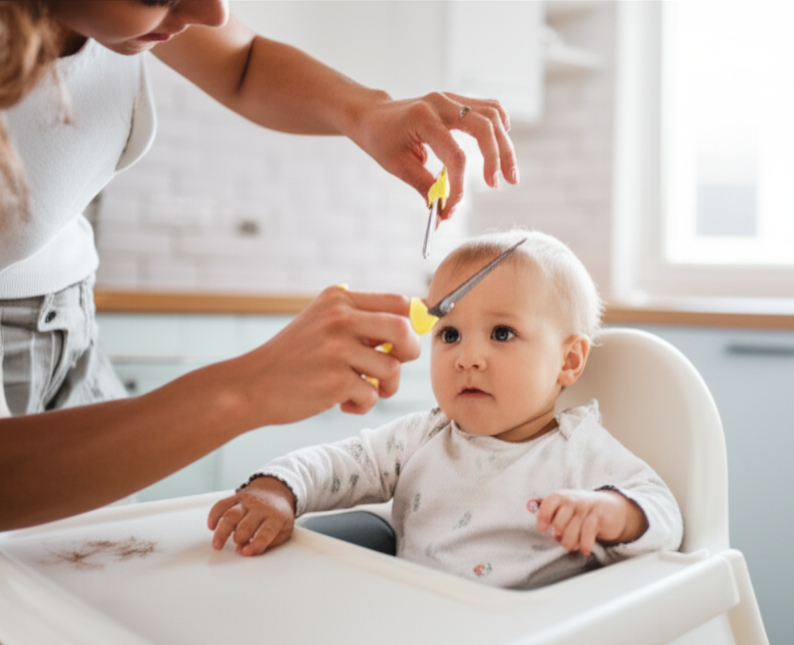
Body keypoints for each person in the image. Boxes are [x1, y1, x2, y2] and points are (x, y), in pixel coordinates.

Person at [0, 0, 518, 530]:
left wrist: (368, 111)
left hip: (71, 328)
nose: (212, 14)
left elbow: (241, 61)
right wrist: (250, 389)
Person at [207, 231, 683, 589]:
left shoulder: (579, 450)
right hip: (419, 633)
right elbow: (340, 463)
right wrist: (278, 489)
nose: (467, 357)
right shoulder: (424, 437)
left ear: (569, 360)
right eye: (449, 334)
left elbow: (664, 512)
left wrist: (612, 512)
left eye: (501, 334)